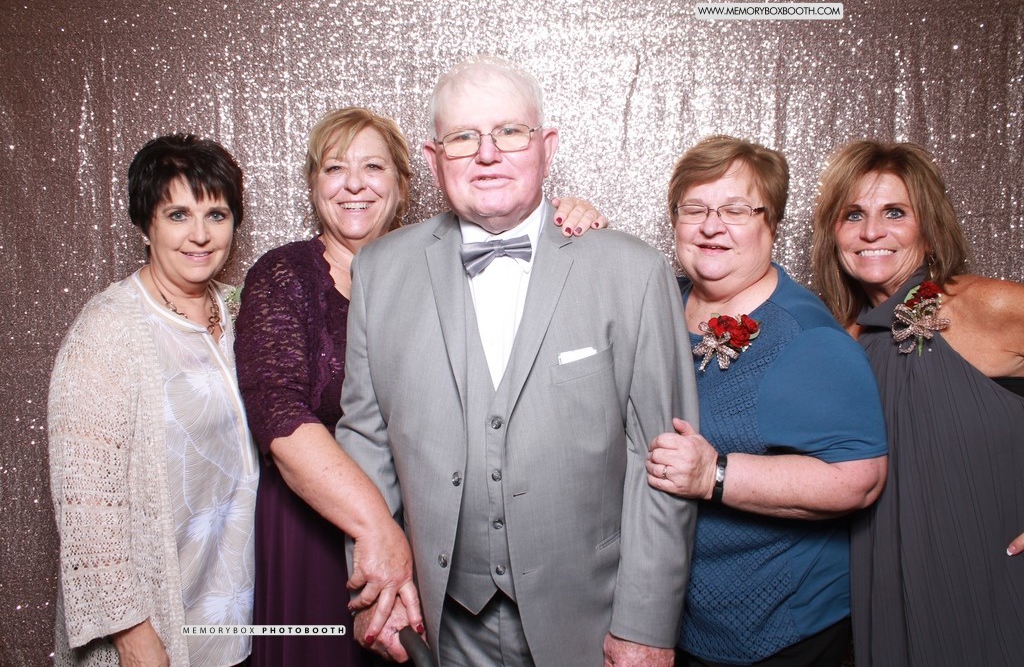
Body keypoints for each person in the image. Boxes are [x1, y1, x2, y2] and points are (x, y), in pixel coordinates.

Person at [335, 55, 699, 667]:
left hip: (590, 623)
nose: (487, 154)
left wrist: (647, 625)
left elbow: (660, 460)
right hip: (439, 622)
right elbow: (366, 438)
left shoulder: (632, 271)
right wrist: (375, 580)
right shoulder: (380, 271)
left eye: (509, 132)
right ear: (434, 159)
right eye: (463, 138)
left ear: (546, 147)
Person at [233, 106, 606, 666]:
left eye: (373, 167)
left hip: (426, 536)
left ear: (405, 183)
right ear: (313, 184)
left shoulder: (446, 263)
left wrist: (563, 223)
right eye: (334, 168)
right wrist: (378, 529)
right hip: (317, 531)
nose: (354, 184)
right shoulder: (282, 274)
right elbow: (278, 414)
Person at [644, 135, 888, 666]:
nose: (712, 226)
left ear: (770, 223)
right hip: (672, 619)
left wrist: (715, 475)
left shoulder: (806, 339)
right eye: (695, 209)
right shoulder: (656, 302)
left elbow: (859, 479)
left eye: (736, 209)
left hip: (772, 631)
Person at [811, 139, 1024, 667]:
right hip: (886, 584)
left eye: (895, 213)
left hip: (991, 575)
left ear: (928, 226)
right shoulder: (846, 341)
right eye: (853, 214)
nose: (871, 232)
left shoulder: (985, 306)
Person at [48, 134, 257, 666]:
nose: (200, 235)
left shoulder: (238, 311)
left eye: (216, 215)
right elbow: (86, 505)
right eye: (178, 215)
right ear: (146, 225)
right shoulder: (109, 331)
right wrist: (132, 631)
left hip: (239, 616)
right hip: (160, 626)